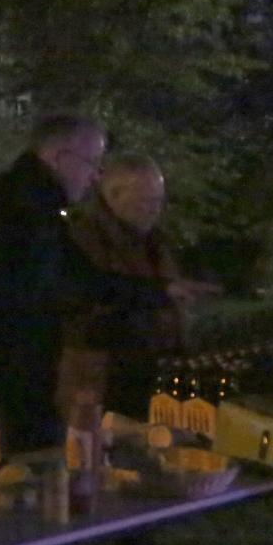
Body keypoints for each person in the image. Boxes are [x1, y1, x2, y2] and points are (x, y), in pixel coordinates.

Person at [0, 114, 202, 451]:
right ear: (60, 158)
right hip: (4, 389)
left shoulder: (33, 206)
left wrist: (161, 290)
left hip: (14, 384)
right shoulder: (18, 211)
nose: (95, 177)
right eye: (92, 162)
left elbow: (79, 278)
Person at [56, 152, 195, 420]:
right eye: (146, 200)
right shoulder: (83, 242)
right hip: (100, 381)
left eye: (159, 200)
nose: (155, 208)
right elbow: (84, 303)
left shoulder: (152, 242)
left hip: (147, 374)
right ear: (115, 195)